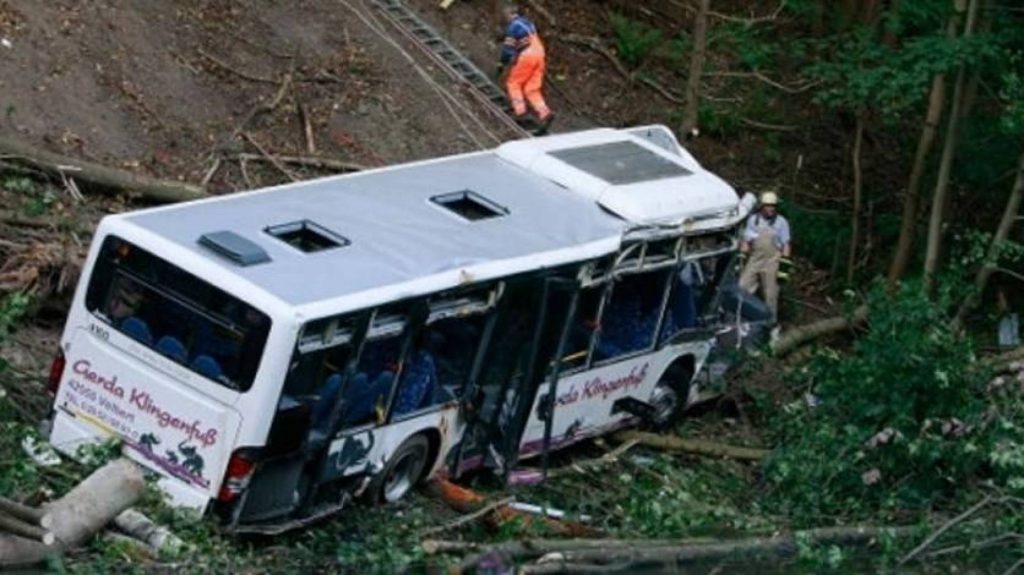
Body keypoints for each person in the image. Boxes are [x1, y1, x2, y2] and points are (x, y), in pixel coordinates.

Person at [495, 3, 554, 136]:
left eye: (505, 16)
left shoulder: (513, 26)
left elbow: (508, 50)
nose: (505, 19)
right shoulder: (528, 24)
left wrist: (501, 64)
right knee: (531, 88)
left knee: (513, 83)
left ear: (510, 14)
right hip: (540, 54)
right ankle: (545, 113)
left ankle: (520, 112)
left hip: (528, 54)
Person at [738, 191, 792, 321]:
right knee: (742, 287)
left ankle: (771, 326)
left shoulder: (781, 222)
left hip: (772, 261)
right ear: (762, 206)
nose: (771, 208)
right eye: (768, 205)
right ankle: (742, 320)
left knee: (771, 295)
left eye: (773, 205)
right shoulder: (753, 220)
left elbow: (786, 245)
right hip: (755, 258)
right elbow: (746, 241)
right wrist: (741, 258)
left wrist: (784, 268)